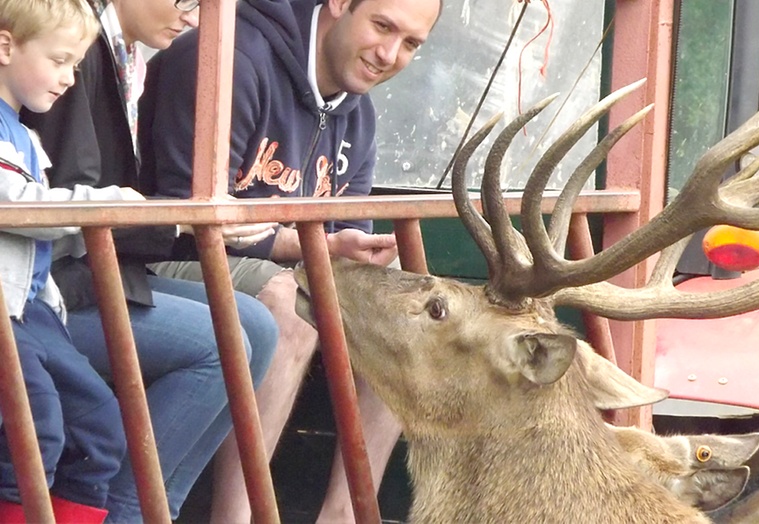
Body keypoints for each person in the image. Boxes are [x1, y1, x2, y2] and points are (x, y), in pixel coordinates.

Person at [139, 0, 442, 521]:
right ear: (340, 5)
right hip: (157, 268)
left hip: (273, 267)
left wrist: (354, 255)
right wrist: (315, 247)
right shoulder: (228, 57)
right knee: (289, 303)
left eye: (411, 44)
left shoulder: (358, 113)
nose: (389, 54)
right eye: (382, 26)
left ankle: (345, 515)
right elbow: (183, 223)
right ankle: (238, 516)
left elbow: (345, 241)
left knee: (409, 311)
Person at [20, 0, 281, 522]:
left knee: (258, 326)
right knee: (215, 345)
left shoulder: (119, 52)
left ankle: (158, 507)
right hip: (48, 289)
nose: (195, 12)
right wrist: (183, 220)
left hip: (95, 269)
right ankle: (123, 512)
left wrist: (194, 220)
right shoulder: (76, 47)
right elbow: (71, 197)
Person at [0, 0, 132, 521]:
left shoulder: (26, 136)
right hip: (5, 314)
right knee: (33, 429)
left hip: (33, 310)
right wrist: (105, 204)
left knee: (98, 428)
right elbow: (15, 202)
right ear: (5, 46)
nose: (69, 79)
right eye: (59, 61)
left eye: (75, 65)